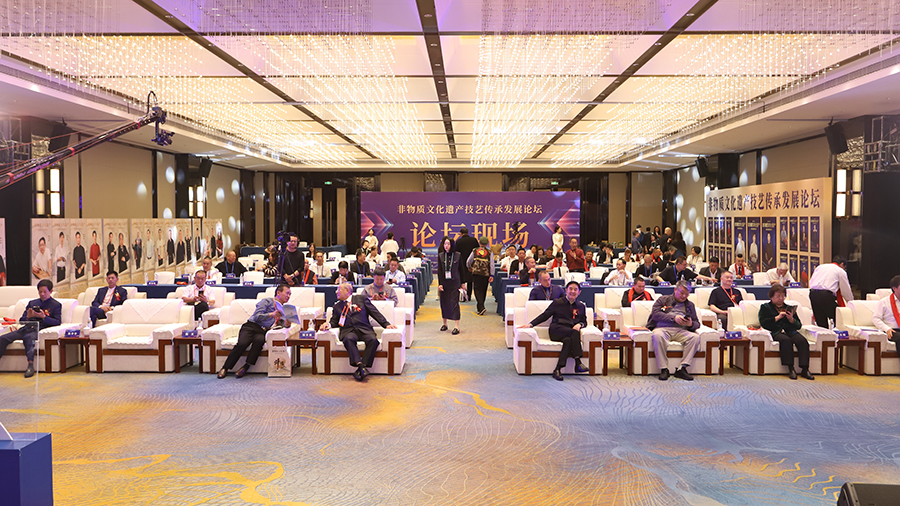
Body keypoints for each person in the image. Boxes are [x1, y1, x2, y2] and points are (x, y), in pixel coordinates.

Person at [320, 282, 397, 381]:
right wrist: (328, 325)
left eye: (339, 289)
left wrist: (386, 324)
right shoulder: (337, 306)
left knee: (373, 340)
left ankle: (362, 366)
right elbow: (334, 321)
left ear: (347, 290)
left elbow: (374, 312)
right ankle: (360, 365)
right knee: (348, 339)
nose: (336, 292)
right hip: (349, 331)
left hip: (364, 329)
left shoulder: (361, 299)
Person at [517, 281, 590, 381]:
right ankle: (578, 362)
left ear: (579, 292)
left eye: (575, 289)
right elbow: (545, 315)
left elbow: (584, 321)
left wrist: (580, 324)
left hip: (569, 333)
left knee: (568, 341)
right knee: (574, 333)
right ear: (566, 290)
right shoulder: (557, 303)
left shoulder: (581, 306)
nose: (572, 291)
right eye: (570, 289)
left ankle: (557, 369)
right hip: (556, 330)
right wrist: (531, 324)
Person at [218, 284, 292, 378]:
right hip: (251, 326)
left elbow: (280, 324)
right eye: (287, 293)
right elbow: (257, 316)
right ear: (278, 292)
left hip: (262, 331)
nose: (288, 296)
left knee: (259, 341)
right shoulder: (267, 301)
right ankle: (225, 368)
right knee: (242, 343)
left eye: (290, 294)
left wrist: (287, 323)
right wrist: (272, 314)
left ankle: (246, 367)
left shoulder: (284, 309)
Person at [0, 279, 61, 378]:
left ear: (51, 291)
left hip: (39, 329)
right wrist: (28, 317)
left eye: (45, 292)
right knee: (3, 338)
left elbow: (57, 321)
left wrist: (44, 317)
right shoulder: (32, 303)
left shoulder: (56, 305)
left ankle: (30, 365)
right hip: (26, 328)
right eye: (40, 292)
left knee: (28, 338)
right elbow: (21, 320)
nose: (42, 294)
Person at [759, 284, 814, 380]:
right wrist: (777, 318)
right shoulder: (765, 307)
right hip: (776, 332)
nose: (781, 298)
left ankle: (805, 369)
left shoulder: (789, 308)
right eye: (778, 296)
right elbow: (763, 323)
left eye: (783, 296)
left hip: (790, 331)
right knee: (786, 341)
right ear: (771, 296)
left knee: (802, 341)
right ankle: (791, 368)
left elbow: (798, 325)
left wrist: (791, 319)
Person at [647, 280, 700, 381]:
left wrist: (690, 324)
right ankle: (664, 369)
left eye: (686, 294)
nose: (684, 296)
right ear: (675, 289)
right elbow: (655, 314)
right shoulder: (663, 300)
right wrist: (673, 318)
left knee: (695, 337)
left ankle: (682, 368)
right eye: (682, 293)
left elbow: (697, 323)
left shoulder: (690, 305)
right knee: (657, 335)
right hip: (662, 329)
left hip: (681, 331)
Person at [808, 256, 853, 328]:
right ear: (842, 264)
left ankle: (824, 334)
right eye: (845, 268)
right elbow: (846, 290)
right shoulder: (840, 270)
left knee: (821, 323)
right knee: (839, 317)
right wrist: (851, 302)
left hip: (812, 294)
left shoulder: (820, 267)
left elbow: (811, 281)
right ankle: (837, 334)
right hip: (825, 296)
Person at [437, 236, 462, 334]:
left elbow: (461, 270)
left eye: (448, 244)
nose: (446, 246)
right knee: (444, 303)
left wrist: (462, 283)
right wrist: (440, 284)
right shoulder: (441, 256)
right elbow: (440, 271)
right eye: (444, 244)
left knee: (454, 303)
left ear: (452, 245)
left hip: (455, 282)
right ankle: (445, 324)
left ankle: (457, 326)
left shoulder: (458, 255)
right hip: (444, 283)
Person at [872, 275, 900, 354]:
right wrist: (887, 329)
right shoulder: (884, 302)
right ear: (894, 288)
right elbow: (876, 318)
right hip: (892, 330)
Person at [466, 236, 494, 315]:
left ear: (479, 242)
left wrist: (469, 267)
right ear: (487, 243)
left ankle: (481, 307)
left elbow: (468, 261)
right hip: (486, 274)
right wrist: (492, 275)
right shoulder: (489, 252)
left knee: (477, 290)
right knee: (483, 290)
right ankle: (481, 307)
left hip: (476, 273)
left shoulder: (474, 250)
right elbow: (492, 264)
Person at [455, 228, 479, 301]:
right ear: (468, 233)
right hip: (471, 263)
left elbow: (456, 253)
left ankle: (463, 296)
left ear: (461, 233)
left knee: (462, 279)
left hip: (461, 262)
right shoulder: (473, 240)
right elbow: (477, 250)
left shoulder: (459, 241)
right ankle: (469, 295)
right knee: (470, 280)